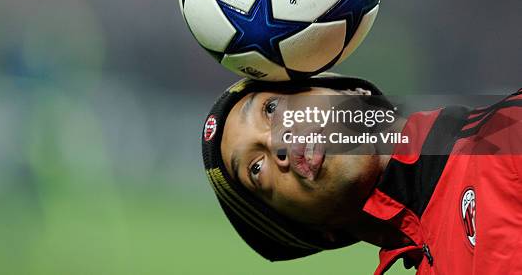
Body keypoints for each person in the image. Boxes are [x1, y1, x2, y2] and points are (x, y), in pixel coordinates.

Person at [201, 73, 522, 274]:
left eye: (271, 108)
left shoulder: (507, 137)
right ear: (307, 229)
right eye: (256, 169)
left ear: (353, 93)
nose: (276, 141)